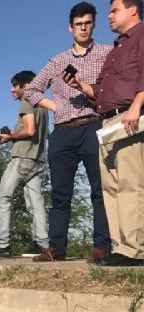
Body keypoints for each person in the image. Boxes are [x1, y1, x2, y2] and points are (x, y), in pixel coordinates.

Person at [24, 2, 112, 263]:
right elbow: (31, 91)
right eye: (78, 24)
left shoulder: (108, 54)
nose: (83, 28)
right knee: (61, 193)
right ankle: (56, 248)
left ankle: (102, 247)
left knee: (100, 189)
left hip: (94, 124)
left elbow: (111, 91)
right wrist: (56, 105)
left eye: (87, 23)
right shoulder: (58, 60)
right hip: (62, 131)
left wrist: (83, 87)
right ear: (70, 27)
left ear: (93, 25)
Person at [67, 0, 144, 266]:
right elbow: (99, 91)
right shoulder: (116, 48)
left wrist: (136, 106)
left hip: (128, 118)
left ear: (133, 9)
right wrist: (79, 85)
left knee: (130, 183)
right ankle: (121, 247)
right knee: (111, 186)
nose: (109, 15)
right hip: (107, 121)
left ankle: (136, 250)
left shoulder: (141, 37)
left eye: (114, 10)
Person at [0, 71, 50, 257]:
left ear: (27, 86)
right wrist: (12, 135)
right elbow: (37, 132)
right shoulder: (43, 106)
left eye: (15, 85)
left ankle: (1, 245)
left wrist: (10, 136)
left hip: (22, 159)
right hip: (38, 159)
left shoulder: (27, 101)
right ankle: (42, 244)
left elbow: (29, 130)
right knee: (36, 203)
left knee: (2, 198)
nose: (12, 89)